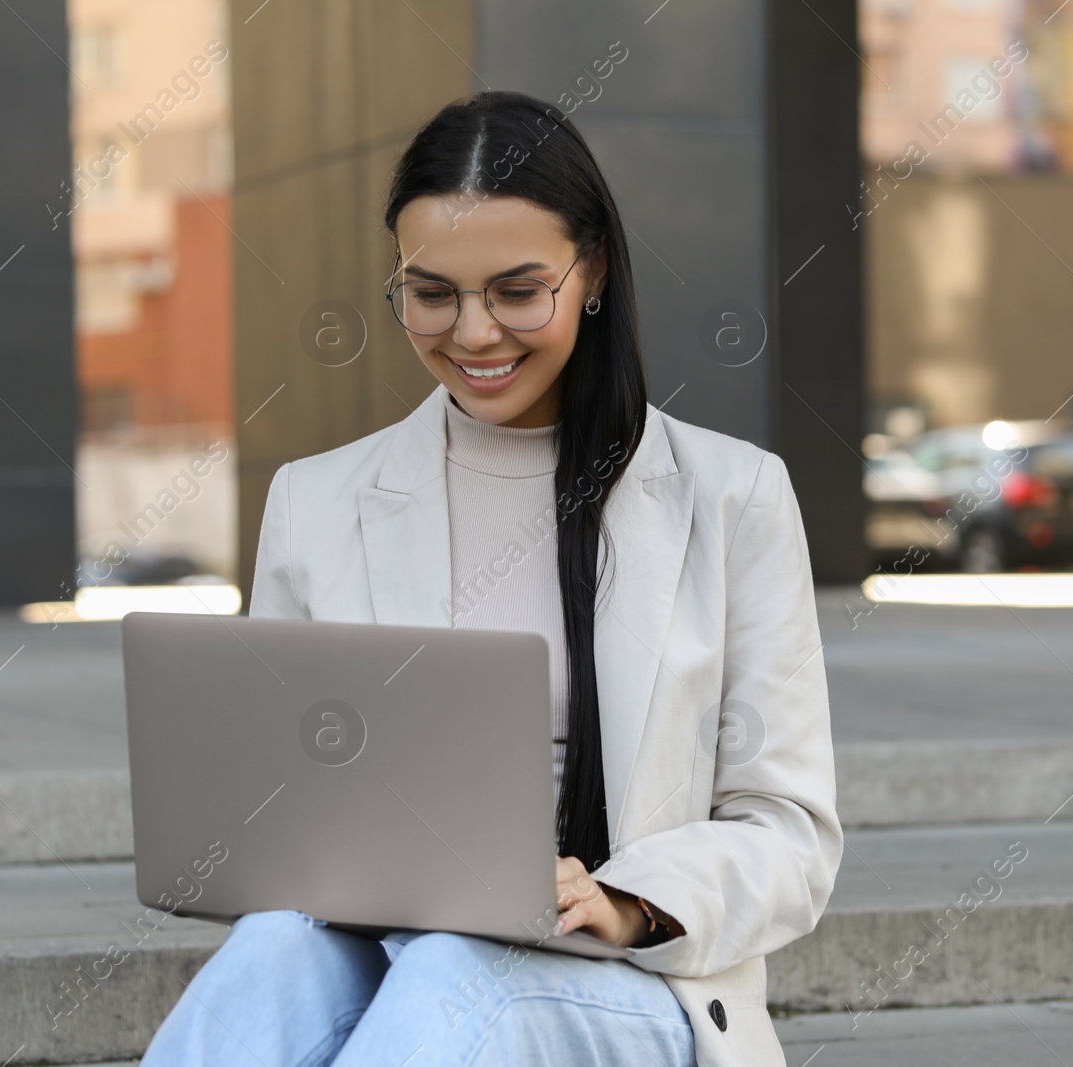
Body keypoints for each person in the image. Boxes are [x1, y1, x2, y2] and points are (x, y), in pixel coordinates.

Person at [140, 89, 841, 1067]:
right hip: (388, 954)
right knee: (272, 948)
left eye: (517, 291)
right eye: (431, 293)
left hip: (627, 986)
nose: (472, 333)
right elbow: (286, 821)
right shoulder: (316, 502)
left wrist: (624, 897)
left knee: (450, 977)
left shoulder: (732, 498)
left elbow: (787, 832)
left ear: (590, 269)